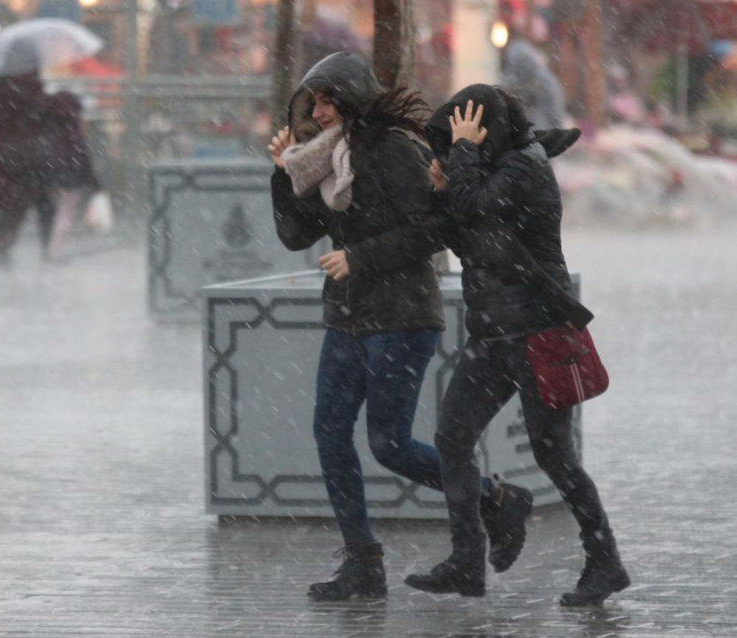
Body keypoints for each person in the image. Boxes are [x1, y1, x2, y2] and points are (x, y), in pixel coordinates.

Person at [267, 52, 534, 601]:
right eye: (312, 102)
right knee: (329, 432)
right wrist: (280, 175)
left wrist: (360, 257)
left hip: (401, 315)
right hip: (347, 315)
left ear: (350, 98)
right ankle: (363, 561)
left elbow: (435, 226)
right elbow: (295, 235)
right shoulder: (327, 159)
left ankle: (498, 500)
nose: (317, 112)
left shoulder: (392, 148)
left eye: (326, 100)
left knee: (388, 443)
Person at [404, 84, 630, 606]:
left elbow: (477, 207)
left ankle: (605, 561)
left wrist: (460, 161)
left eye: (465, 132)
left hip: (538, 332)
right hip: (493, 333)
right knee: (453, 438)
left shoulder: (524, 166)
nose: (457, 144)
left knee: (556, 458)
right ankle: (467, 558)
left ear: (487, 128)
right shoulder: (485, 167)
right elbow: (461, 233)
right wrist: (441, 185)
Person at [0, 42, 55, 266]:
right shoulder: (30, 86)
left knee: (6, 202)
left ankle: (1, 244)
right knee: (40, 203)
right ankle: (47, 250)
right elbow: (39, 116)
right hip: (25, 155)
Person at [42, 91, 101, 261]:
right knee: (65, 215)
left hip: (52, 179)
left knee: (54, 214)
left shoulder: (48, 128)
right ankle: (54, 252)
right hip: (70, 180)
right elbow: (83, 157)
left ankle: (49, 249)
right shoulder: (73, 131)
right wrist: (93, 181)